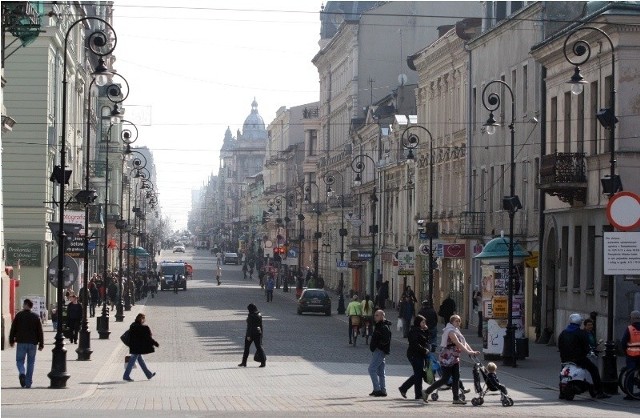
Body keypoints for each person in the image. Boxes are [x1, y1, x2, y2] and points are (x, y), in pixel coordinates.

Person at [422, 314, 479, 405]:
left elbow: (464, 342)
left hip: (455, 357)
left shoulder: (456, 331)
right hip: (447, 357)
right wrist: (468, 352)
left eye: (459, 321)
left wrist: (472, 351)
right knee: (445, 379)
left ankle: (456, 398)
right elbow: (457, 343)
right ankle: (426, 392)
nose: (458, 322)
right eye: (456, 321)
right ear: (451, 321)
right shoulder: (450, 331)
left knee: (456, 378)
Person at [557, 313, 609, 399]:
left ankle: (561, 392)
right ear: (579, 323)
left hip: (565, 358)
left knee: (562, 371)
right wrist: (587, 352)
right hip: (578, 359)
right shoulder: (580, 333)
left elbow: (560, 345)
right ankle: (599, 391)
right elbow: (586, 346)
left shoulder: (564, 332)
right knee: (594, 369)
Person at [9, 299, 45, 388]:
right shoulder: (36, 317)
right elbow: (40, 331)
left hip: (21, 342)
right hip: (33, 343)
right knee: (31, 363)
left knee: (19, 361)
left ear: (26, 305)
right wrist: (41, 344)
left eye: (23, 304)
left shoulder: (19, 315)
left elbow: (13, 329)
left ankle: (22, 373)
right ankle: (28, 383)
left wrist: (11, 340)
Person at [399, 315, 430, 400]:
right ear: (418, 322)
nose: (424, 324)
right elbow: (414, 344)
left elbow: (426, 340)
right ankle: (418, 394)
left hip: (420, 355)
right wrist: (424, 350)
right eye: (423, 322)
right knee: (418, 374)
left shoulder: (421, 330)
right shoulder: (414, 331)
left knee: (419, 374)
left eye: (425, 322)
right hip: (414, 355)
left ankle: (404, 388)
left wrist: (426, 331)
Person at [123, 313, 159, 381]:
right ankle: (126, 376)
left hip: (134, 346)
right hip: (137, 347)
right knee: (131, 362)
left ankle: (149, 374)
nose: (144, 320)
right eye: (144, 319)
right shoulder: (142, 327)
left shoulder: (133, 325)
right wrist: (155, 343)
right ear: (141, 319)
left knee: (141, 361)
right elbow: (148, 338)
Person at [368, 309, 392, 397]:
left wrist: (378, 346)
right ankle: (382, 390)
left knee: (371, 369)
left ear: (382, 316)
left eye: (377, 315)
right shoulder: (379, 325)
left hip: (380, 351)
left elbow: (386, 340)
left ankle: (377, 389)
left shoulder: (383, 326)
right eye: (375, 315)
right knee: (381, 372)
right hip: (379, 350)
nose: (375, 317)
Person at [620, 310, 640, 397]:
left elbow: (623, 342)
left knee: (630, 374)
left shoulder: (630, 329)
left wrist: (626, 352)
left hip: (631, 355)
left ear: (632, 318)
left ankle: (629, 394)